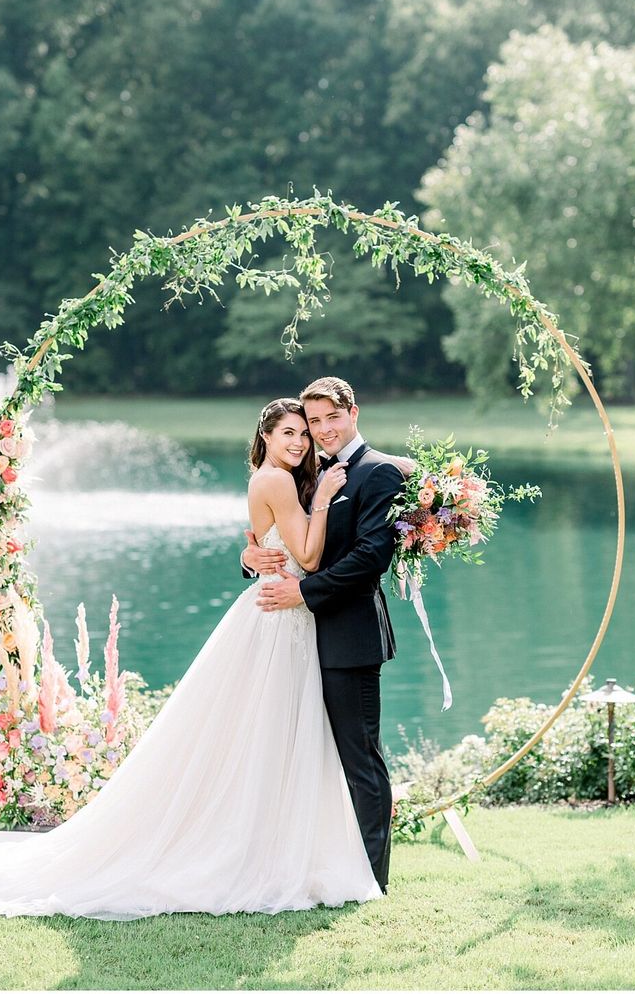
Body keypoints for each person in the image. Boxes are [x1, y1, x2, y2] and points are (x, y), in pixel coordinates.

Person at [0, 399, 382, 920]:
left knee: (267, 736)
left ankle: (278, 846)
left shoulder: (284, 476)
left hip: (285, 616)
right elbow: (305, 556)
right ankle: (258, 852)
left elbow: (282, 546)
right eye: (289, 432)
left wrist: (253, 550)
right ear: (266, 435)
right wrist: (322, 499)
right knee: (269, 734)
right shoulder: (282, 481)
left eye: (305, 432)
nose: (302, 441)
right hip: (280, 620)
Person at [242, 376, 404, 894]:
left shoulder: (378, 472)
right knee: (301, 756)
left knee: (360, 760)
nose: (321, 431)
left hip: (347, 636)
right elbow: (284, 537)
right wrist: (250, 560)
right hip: (299, 637)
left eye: (331, 418)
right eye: (313, 423)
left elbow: (369, 558)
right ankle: (311, 863)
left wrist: (303, 594)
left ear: (353, 413)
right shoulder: (309, 473)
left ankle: (373, 879)